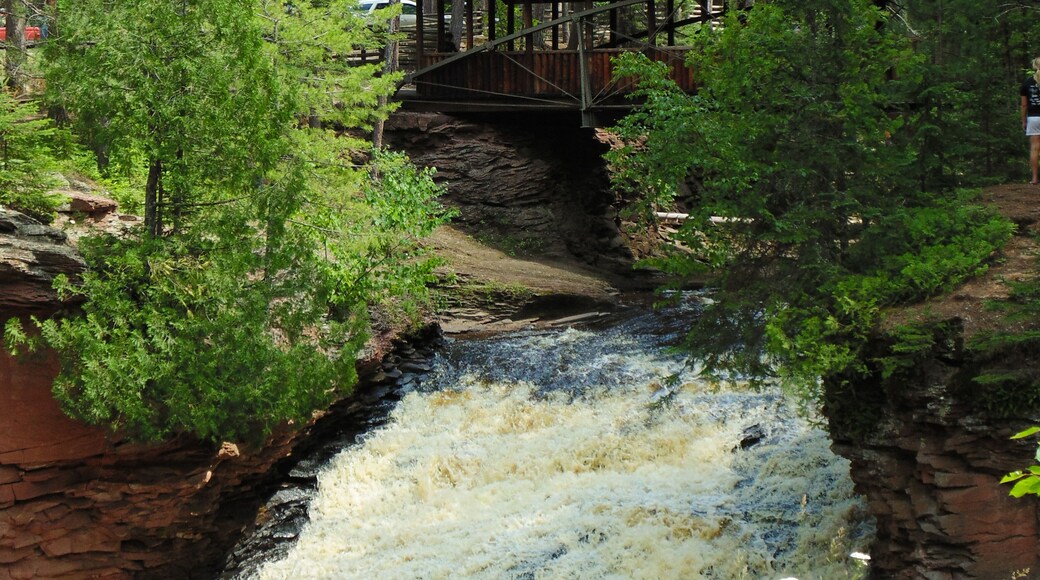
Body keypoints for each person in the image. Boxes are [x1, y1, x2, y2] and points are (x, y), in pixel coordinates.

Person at [1020, 57, 1040, 184]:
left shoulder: (1027, 83)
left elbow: (1024, 105)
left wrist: (1023, 120)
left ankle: (1034, 178)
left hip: (1033, 118)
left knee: (1034, 148)